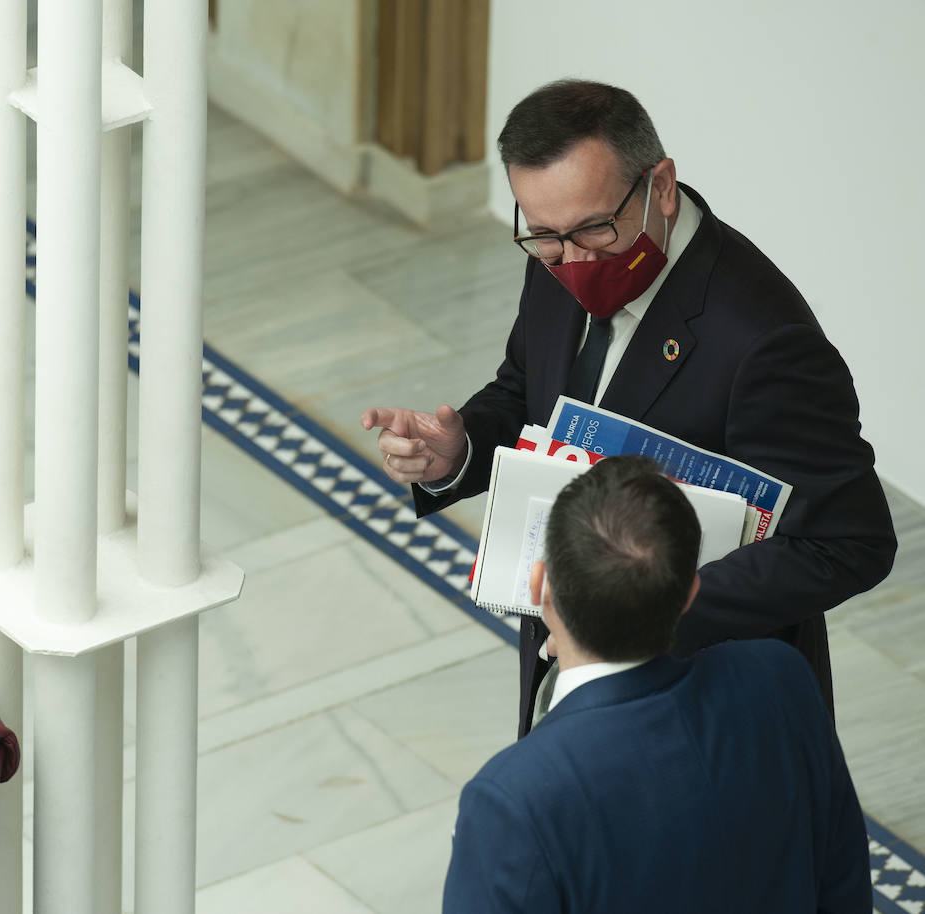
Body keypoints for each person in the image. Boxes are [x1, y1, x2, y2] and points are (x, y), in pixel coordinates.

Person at [362, 79, 896, 737]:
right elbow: (528, 391)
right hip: (570, 666)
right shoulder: (557, 254)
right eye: (543, 234)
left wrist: (657, 603)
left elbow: (848, 544)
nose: (574, 260)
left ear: (661, 187)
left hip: (702, 707)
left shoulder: (765, 342)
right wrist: (460, 450)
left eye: (595, 228)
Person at [441, 456, 869, 913]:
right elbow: (842, 882)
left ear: (540, 585)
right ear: (689, 592)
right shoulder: (779, 678)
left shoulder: (511, 800)